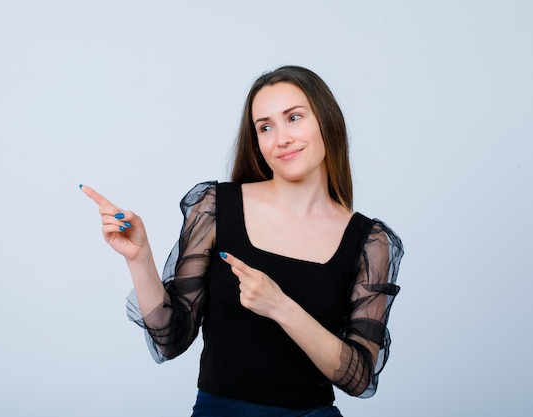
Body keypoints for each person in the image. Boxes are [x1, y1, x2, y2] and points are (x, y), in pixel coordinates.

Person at [80, 65, 404, 417]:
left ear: (326, 120)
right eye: (265, 127)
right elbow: (170, 339)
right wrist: (139, 259)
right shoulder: (218, 207)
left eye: (294, 118)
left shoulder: (369, 241)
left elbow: (359, 377)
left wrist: (280, 306)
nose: (281, 138)